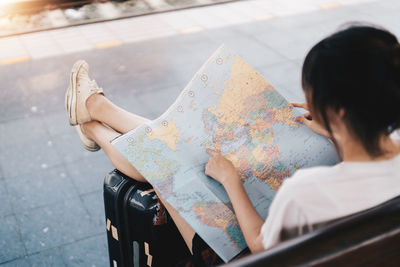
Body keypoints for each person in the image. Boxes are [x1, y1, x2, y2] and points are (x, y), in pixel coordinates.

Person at [65, 24, 400, 265]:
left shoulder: (306, 193)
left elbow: (259, 246)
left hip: (241, 258)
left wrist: (231, 180)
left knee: (175, 167)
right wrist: (336, 129)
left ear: (338, 111)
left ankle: (94, 122)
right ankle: (96, 112)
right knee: (186, 150)